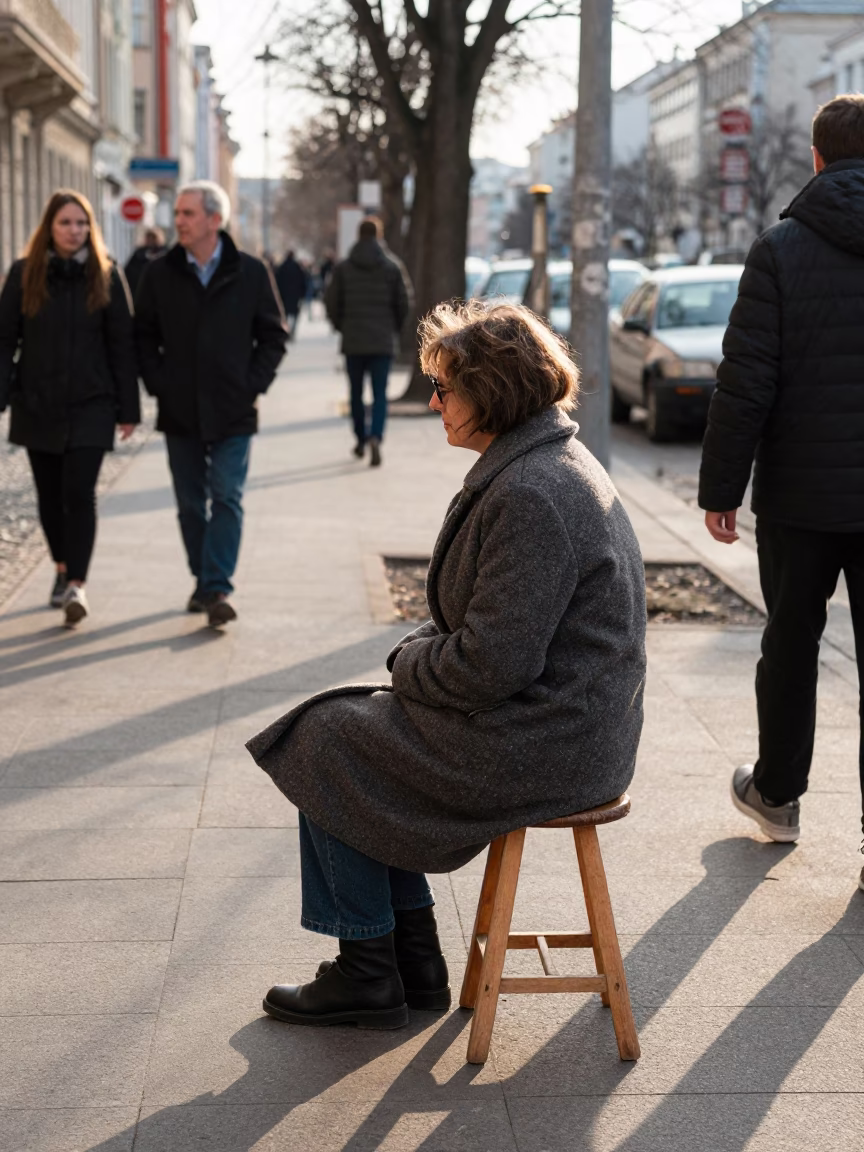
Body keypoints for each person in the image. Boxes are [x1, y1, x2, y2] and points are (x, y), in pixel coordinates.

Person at [246, 300, 646, 1030]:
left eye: (445, 388)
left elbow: (492, 663)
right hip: (553, 718)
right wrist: (420, 658)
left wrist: (408, 667)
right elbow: (483, 623)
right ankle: (411, 960)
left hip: (551, 739)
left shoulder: (534, 492)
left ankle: (371, 968)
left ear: (491, 393)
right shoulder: (536, 464)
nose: (434, 401)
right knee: (346, 729)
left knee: (326, 739)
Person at [698, 94, 864, 869]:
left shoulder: (781, 247)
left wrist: (721, 487)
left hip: (802, 494)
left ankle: (777, 795)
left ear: (817, 157)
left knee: (791, 644)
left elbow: (747, 381)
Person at [134, 180, 287, 627]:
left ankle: (216, 586)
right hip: (179, 407)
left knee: (226, 496)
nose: (178, 221)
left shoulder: (251, 271)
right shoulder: (159, 273)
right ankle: (204, 579)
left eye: (187, 214)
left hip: (233, 408)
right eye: (178, 213)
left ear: (214, 220)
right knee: (188, 503)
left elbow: (273, 336)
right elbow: (142, 335)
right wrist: (159, 383)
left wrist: (251, 384)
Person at [0, 190, 139, 627]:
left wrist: (128, 407)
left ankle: (77, 583)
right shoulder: (24, 275)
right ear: (49, 227)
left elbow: (122, 346)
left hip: (91, 404)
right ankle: (61, 567)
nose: (74, 231)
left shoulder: (107, 276)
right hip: (36, 402)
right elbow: (5, 341)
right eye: (65, 223)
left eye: (81, 223)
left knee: (79, 494)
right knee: (49, 496)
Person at [325, 218, 412, 467]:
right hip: (382, 342)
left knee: (355, 393)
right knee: (379, 394)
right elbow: (404, 302)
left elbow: (331, 302)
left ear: (358, 235)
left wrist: (342, 326)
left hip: (353, 341)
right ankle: (376, 436)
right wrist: (392, 328)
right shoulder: (392, 267)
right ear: (379, 235)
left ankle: (361, 438)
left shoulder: (343, 268)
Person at [274, 250, 309, 340]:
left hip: (283, 295)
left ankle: (285, 331)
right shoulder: (297, 267)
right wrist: (302, 294)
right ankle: (292, 332)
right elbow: (303, 281)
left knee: (284, 315)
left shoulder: (282, 267)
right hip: (295, 296)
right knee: (294, 315)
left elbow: (276, 282)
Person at [123, 227, 167, 296]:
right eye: (149, 238)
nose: (151, 241)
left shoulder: (165, 255)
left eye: (153, 238)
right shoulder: (138, 255)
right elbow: (127, 275)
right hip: (139, 294)